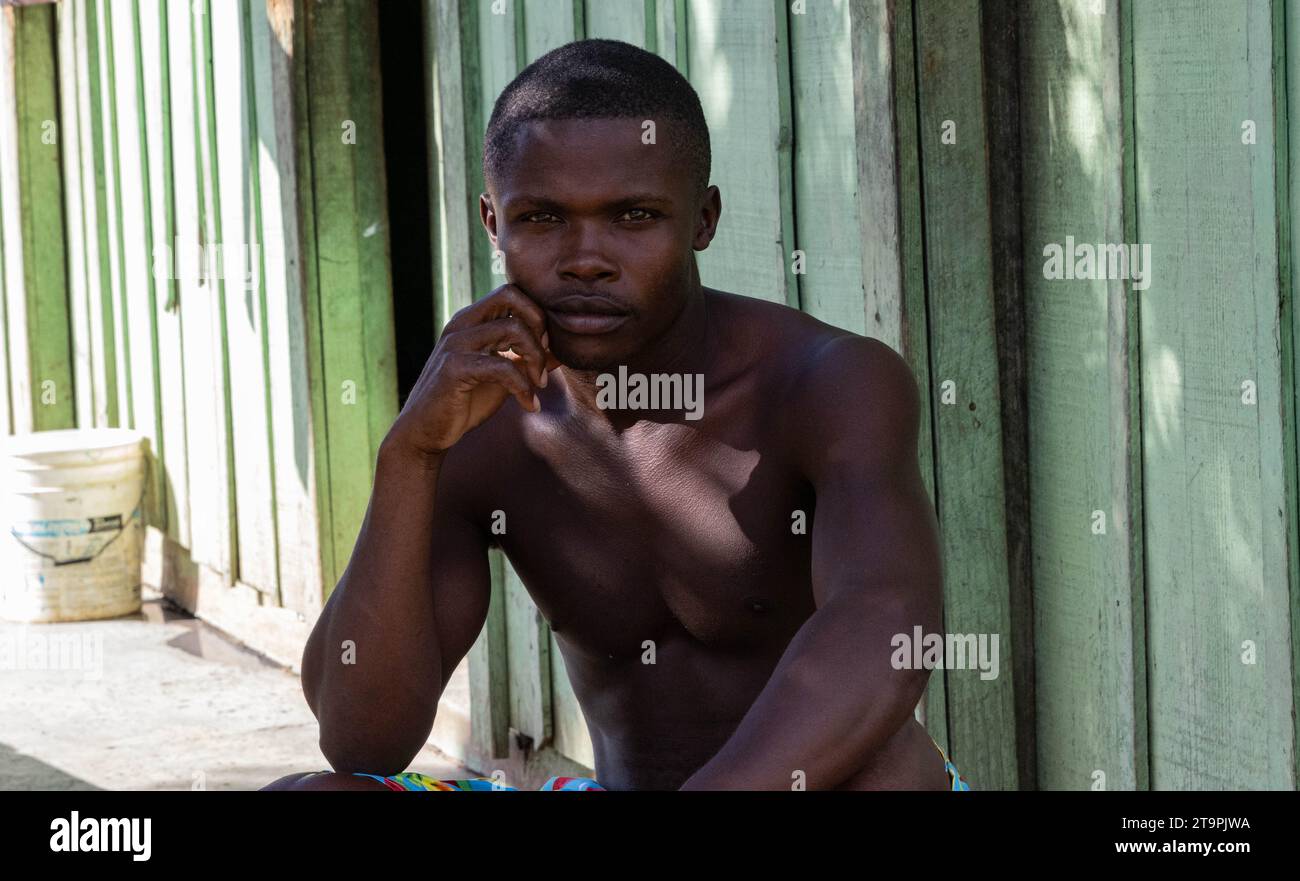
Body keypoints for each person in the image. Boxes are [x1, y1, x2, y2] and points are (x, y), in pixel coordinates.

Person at [262, 38, 970, 792]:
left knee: (889, 771)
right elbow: (362, 737)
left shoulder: (826, 382)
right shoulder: (482, 420)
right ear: (492, 222)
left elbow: (888, 625)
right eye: (541, 217)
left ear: (702, 219)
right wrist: (408, 457)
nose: (586, 258)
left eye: (633, 215)